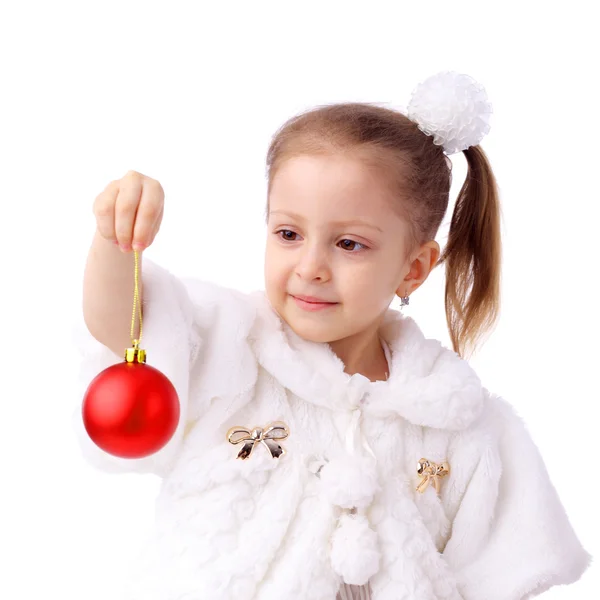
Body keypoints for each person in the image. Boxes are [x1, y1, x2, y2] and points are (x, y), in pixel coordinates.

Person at [72, 72, 591, 600]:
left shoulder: (455, 419)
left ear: (413, 268)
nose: (311, 266)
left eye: (348, 243)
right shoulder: (229, 350)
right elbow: (126, 326)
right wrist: (117, 241)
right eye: (289, 234)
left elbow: (497, 578)